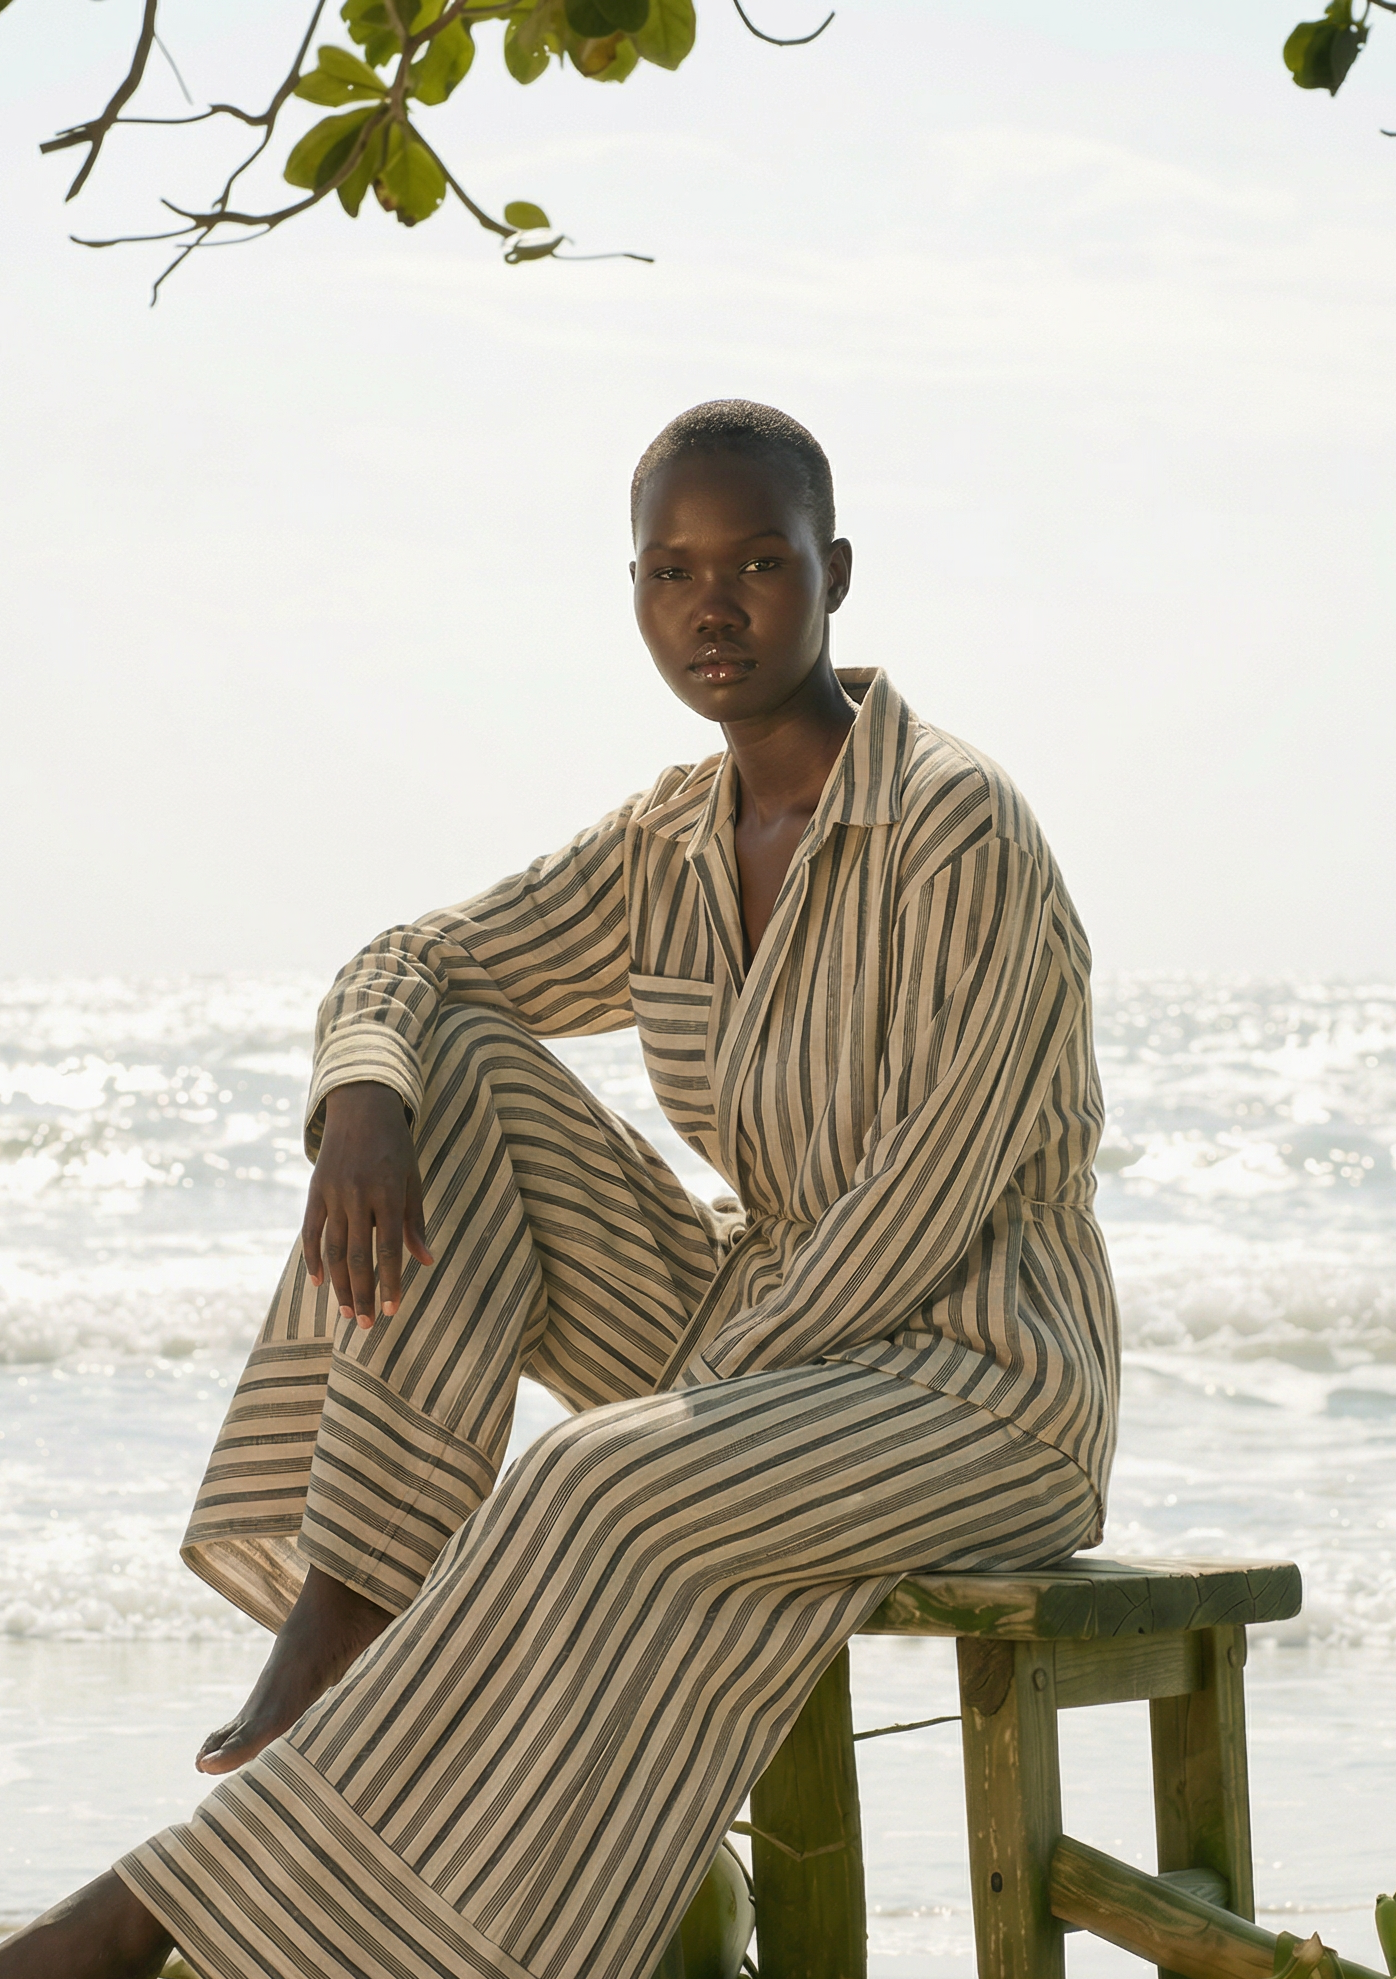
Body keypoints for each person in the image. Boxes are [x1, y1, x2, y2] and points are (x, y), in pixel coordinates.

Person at [0, 401, 1119, 1979]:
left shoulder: (954, 826)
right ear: (636, 590)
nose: (710, 605)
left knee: (584, 1480)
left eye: (754, 563)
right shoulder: (670, 837)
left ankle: (158, 1909)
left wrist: (673, 1418)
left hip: (979, 1381)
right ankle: (354, 1602)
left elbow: (915, 1212)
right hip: (762, 1334)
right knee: (450, 1055)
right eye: (669, 569)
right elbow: (414, 957)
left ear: (834, 574)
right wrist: (366, 1090)